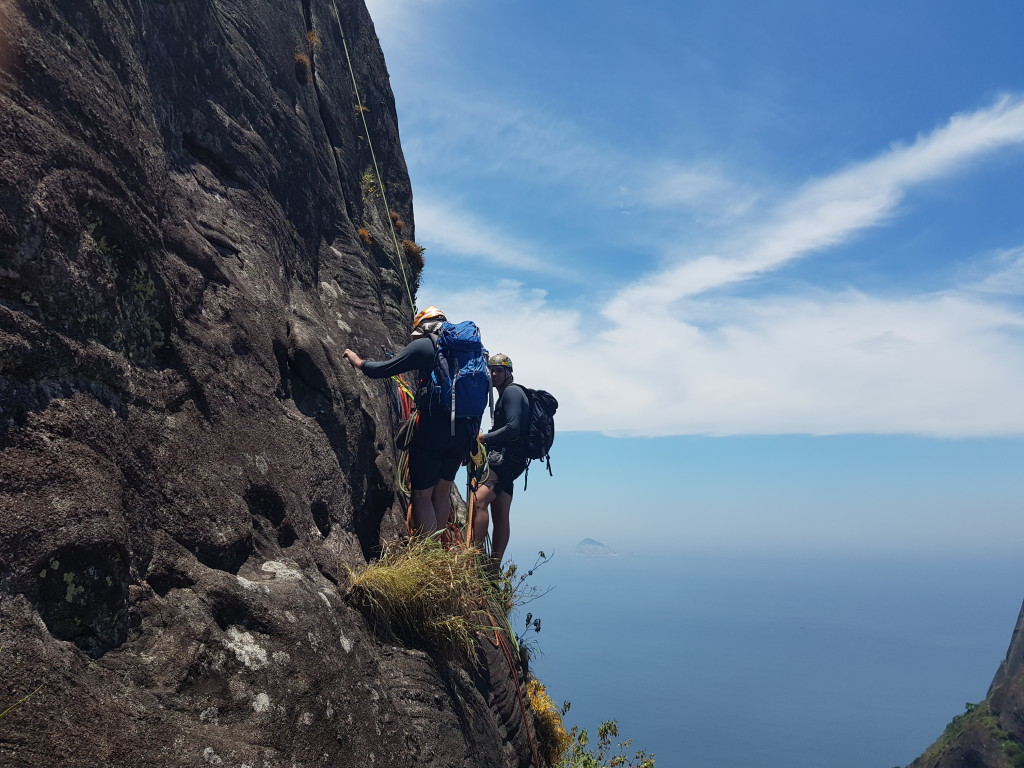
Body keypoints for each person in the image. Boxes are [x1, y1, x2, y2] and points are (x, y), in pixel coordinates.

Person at [342, 307, 475, 536]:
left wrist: (359, 362)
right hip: (463, 430)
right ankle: (439, 556)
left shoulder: (425, 345)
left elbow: (383, 369)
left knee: (422, 493)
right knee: (442, 492)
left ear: (423, 327)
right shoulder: (468, 352)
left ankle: (428, 552)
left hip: (434, 428)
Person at [472, 353, 529, 566]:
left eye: (498, 370)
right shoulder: (508, 393)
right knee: (500, 509)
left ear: (508, 373)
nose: (493, 374)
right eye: (491, 370)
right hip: (511, 458)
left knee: (479, 500)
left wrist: (484, 437)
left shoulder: (512, 393)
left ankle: (474, 559)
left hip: (507, 458)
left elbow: (513, 428)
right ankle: (494, 568)